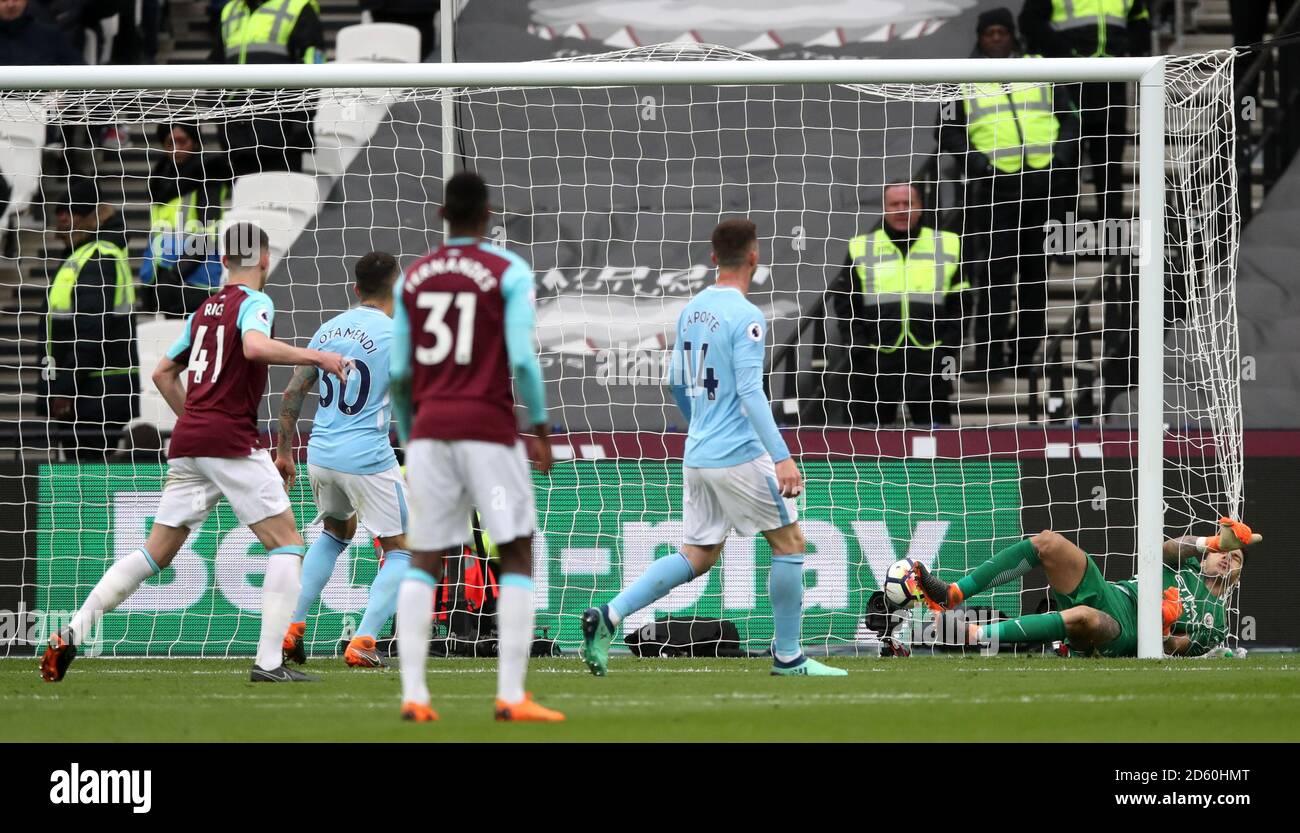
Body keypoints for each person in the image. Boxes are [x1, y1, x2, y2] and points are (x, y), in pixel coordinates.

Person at [40, 222, 350, 683]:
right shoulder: (256, 302)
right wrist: (317, 357)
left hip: (189, 443)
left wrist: (193, 419)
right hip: (227, 438)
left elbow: (164, 373)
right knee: (287, 544)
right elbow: (254, 346)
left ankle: (72, 632)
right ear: (264, 260)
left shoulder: (204, 310)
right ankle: (268, 663)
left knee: (153, 554)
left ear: (223, 261)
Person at [580, 219, 847, 679]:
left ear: (711, 256)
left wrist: (701, 423)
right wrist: (781, 455)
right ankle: (788, 656)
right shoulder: (747, 316)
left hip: (698, 451)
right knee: (790, 543)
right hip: (737, 453)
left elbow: (674, 382)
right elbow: (750, 391)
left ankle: (610, 614)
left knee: (698, 555)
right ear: (754, 257)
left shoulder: (692, 310)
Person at [390, 171, 562, 722]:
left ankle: (414, 695)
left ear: (443, 214)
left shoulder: (412, 279)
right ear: (488, 214)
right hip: (488, 431)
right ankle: (511, 695)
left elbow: (398, 373)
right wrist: (538, 427)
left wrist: (410, 432)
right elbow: (522, 359)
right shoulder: (506, 270)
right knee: (514, 550)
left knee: (425, 556)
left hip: (431, 431)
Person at [274, 251, 410, 669]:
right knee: (405, 549)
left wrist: (283, 450)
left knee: (336, 532)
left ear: (355, 289)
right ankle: (364, 640)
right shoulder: (396, 335)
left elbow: (292, 392)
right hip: (366, 456)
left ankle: (290, 628)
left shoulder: (329, 329)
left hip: (319, 454)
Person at [937, 8, 1079, 376]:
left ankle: (1024, 355)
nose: (996, 38)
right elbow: (947, 131)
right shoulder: (960, 79)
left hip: (1042, 186)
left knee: (1036, 278)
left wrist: (1060, 161)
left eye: (1002, 32)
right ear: (980, 38)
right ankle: (988, 361)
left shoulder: (1040, 68)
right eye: (990, 33)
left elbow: (1069, 119)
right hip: (995, 189)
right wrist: (981, 165)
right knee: (995, 278)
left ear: (1013, 35)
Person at [912, 518, 1261, 657]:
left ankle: (971, 634)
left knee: (1082, 617)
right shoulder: (1184, 565)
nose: (1227, 558)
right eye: (1223, 554)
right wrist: (1213, 541)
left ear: (1239, 578)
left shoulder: (1218, 619)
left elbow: (1179, 649)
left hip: (1129, 632)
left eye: (1236, 559)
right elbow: (1168, 548)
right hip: (1115, 593)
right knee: (1048, 543)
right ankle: (952, 593)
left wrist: (1163, 628)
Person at [829, 182, 969, 426]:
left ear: (920, 207)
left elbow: (962, 303)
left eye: (908, 203)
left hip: (930, 360)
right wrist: (859, 346)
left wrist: (947, 348)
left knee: (936, 447)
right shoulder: (862, 246)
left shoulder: (947, 243)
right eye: (895, 204)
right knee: (870, 449)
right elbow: (845, 303)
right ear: (884, 208)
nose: (902, 210)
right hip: (876, 361)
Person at [1020, 0, 1148, 225]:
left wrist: (1127, 50)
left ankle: (1112, 244)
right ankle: (1066, 245)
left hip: (1111, 83)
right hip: (1070, 83)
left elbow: (1140, 20)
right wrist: (1065, 54)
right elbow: (1029, 22)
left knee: (1110, 169)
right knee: (1067, 168)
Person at [42, 179, 138, 459]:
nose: (61, 217)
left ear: (89, 215)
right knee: (86, 481)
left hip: (97, 391)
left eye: (69, 211)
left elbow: (91, 329)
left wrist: (66, 387)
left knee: (87, 484)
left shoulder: (97, 255)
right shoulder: (83, 253)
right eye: (59, 211)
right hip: (96, 388)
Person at [213, 0, 325, 176]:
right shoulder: (229, 10)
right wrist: (219, 119)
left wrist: (299, 123)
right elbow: (215, 67)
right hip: (237, 133)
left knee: (283, 200)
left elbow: (313, 68)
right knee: (245, 201)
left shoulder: (298, 6)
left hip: (284, 134)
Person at [139, 123, 232, 316]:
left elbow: (208, 235)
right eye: (169, 143)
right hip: (166, 283)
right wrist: (153, 280)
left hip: (196, 284)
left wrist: (175, 273)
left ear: (196, 143)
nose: (176, 149)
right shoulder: (159, 181)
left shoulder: (209, 176)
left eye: (182, 141)